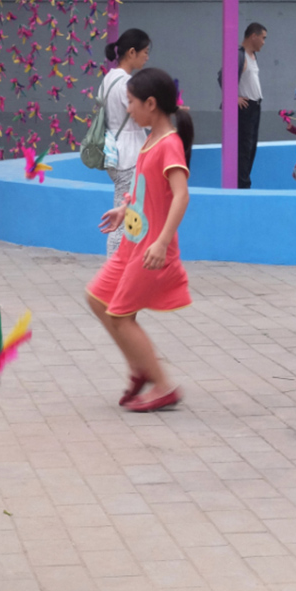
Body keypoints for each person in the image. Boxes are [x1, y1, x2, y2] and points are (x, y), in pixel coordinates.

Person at [86, 68, 192, 413]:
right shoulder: (149, 140)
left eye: (131, 102)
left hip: (150, 249)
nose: (128, 108)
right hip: (132, 241)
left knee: (120, 316)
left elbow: (181, 196)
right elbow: (143, 189)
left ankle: (162, 385)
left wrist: (161, 243)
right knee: (98, 298)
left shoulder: (169, 144)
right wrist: (124, 208)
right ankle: (139, 369)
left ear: (151, 103)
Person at [96, 28, 151, 259]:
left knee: (129, 210)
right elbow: (141, 117)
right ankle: (113, 269)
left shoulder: (108, 79)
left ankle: (124, 266)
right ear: (131, 52)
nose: (146, 57)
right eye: (144, 52)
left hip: (114, 151)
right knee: (125, 213)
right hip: (129, 154)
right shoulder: (127, 83)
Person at [237, 22, 267, 189]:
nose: (263, 42)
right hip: (245, 107)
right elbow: (223, 76)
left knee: (252, 145)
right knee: (244, 146)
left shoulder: (253, 56)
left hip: (255, 106)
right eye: (263, 38)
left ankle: (244, 179)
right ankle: (242, 183)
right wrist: (234, 97)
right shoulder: (239, 55)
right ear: (253, 36)